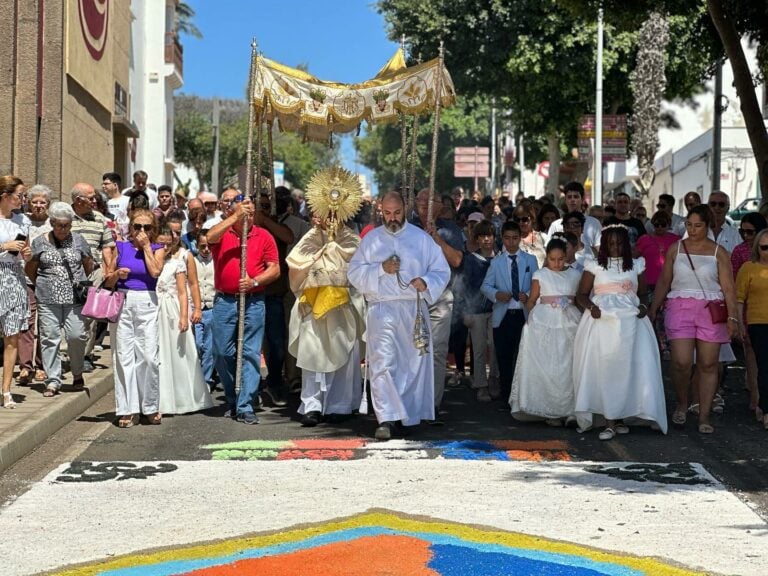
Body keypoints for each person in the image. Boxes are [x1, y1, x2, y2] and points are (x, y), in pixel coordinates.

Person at [348, 191, 450, 440]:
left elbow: (441, 270)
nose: (392, 218)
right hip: (382, 310)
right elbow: (354, 273)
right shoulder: (371, 240)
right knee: (383, 362)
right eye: (387, 213)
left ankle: (406, 415)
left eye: (397, 212)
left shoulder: (421, 239)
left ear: (405, 209)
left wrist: (426, 282)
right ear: (380, 211)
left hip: (412, 309)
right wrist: (380, 269)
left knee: (410, 364)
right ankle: (386, 418)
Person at [648, 205, 738, 434]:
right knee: (681, 362)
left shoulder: (719, 252)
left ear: (707, 226)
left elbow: (728, 288)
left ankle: (704, 415)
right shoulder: (676, 248)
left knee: (708, 364)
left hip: (711, 310)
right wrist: (653, 308)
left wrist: (733, 317)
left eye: (698, 225)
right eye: (689, 224)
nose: (693, 229)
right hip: (680, 307)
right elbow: (664, 281)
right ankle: (682, 402)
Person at [573, 225, 667, 439]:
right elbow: (581, 294)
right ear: (604, 245)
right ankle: (609, 421)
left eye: (619, 243)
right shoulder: (595, 266)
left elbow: (643, 293)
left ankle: (621, 417)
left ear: (627, 244)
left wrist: (643, 306)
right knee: (606, 369)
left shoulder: (636, 265)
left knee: (629, 369)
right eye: (611, 244)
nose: (615, 247)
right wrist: (591, 307)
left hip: (631, 325)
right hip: (602, 324)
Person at [208, 195, 280, 424]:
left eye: (250, 212)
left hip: (254, 300)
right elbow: (210, 237)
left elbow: (275, 269)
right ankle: (233, 396)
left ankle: (246, 404)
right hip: (225, 300)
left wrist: (254, 281)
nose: (247, 216)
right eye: (243, 211)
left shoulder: (264, 235)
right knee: (222, 351)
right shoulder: (223, 231)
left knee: (250, 352)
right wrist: (234, 217)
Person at [287, 217, 364, 426]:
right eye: (325, 213)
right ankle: (311, 406)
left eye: (334, 213)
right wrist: (319, 248)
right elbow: (296, 264)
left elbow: (359, 265)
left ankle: (340, 405)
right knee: (311, 356)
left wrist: (334, 245)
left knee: (344, 354)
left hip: (342, 307)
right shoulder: (310, 238)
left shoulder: (351, 239)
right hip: (313, 306)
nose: (329, 218)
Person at [509, 238, 581, 424]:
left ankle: (571, 410)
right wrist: (532, 320)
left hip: (569, 322)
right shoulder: (540, 274)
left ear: (566, 256)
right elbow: (532, 300)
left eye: (560, 259)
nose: (556, 263)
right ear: (547, 257)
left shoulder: (575, 275)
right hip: (545, 322)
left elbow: (578, 299)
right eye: (552, 259)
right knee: (549, 366)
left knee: (569, 365)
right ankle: (550, 411)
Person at [104, 209, 165, 427]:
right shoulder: (121, 247)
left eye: (146, 227)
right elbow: (107, 279)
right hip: (123, 299)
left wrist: (147, 246)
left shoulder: (158, 248)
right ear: (130, 228)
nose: (141, 231)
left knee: (148, 356)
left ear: (153, 229)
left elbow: (155, 272)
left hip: (147, 301)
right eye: (137, 226)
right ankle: (127, 409)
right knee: (123, 356)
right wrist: (116, 275)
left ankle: (150, 405)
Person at [25, 202, 93, 396]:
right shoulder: (40, 242)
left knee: (76, 335)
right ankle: (53, 380)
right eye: (59, 225)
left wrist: (79, 282)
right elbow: (30, 269)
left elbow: (87, 264)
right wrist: (43, 284)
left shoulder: (79, 240)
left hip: (74, 298)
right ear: (52, 223)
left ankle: (77, 372)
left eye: (67, 225)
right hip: (47, 298)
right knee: (49, 338)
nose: (63, 229)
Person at [412, 188, 464, 417]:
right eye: (421, 200)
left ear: (440, 206)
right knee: (413, 350)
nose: (424, 203)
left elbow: (457, 260)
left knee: (437, 351)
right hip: (413, 297)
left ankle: (432, 403)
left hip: (440, 297)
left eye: (430, 200)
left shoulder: (450, 229)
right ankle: (413, 399)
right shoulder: (407, 227)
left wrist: (436, 238)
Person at [155, 225, 213, 415]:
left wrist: (193, 310)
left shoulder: (181, 259)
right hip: (155, 309)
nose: (165, 247)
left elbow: (190, 286)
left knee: (179, 352)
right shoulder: (152, 261)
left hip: (173, 309)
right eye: (161, 244)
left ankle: (183, 396)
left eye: (168, 243)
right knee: (158, 353)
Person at [481, 221, 538, 402]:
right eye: (507, 238)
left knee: (524, 357)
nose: (511, 242)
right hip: (503, 316)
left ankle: (523, 397)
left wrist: (528, 295)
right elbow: (485, 286)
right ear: (502, 238)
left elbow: (538, 283)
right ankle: (506, 397)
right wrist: (497, 294)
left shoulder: (530, 260)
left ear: (520, 238)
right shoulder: (497, 262)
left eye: (514, 238)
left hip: (523, 314)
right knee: (504, 358)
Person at [70, 183, 116, 372]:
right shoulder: (65, 216)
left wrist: (108, 271)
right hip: (68, 273)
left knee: (91, 315)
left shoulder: (99, 219)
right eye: (91, 198)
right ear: (78, 200)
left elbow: (107, 247)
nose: (94, 200)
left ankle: (86, 355)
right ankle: (67, 354)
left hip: (94, 272)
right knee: (68, 313)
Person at [456, 220, 499, 402]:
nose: (486, 239)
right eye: (482, 236)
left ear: (494, 238)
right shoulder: (471, 260)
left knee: (496, 348)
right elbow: (464, 286)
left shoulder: (501, 258)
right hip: (476, 311)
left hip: (498, 309)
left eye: (489, 235)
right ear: (477, 239)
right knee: (479, 349)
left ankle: (494, 381)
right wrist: (465, 312)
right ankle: (481, 385)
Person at [0, 175, 32, 408]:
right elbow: (7, 247)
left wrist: (26, 254)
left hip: (14, 277)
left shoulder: (22, 220)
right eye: (20, 195)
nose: (23, 199)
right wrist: (4, 246)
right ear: (5, 196)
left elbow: (24, 252)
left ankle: (6, 390)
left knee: (12, 337)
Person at [732, 213, 767, 412]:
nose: (746, 236)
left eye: (750, 232)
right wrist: (737, 320)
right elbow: (735, 285)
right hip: (749, 312)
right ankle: (756, 399)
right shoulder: (739, 252)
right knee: (754, 358)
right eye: (742, 231)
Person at [17, 184, 51, 385]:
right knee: (27, 321)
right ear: (29, 203)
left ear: (48, 204)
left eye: (42, 202)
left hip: (47, 278)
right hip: (25, 277)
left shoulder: (53, 223)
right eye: (35, 202)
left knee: (46, 323)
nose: (38, 205)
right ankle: (25, 366)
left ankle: (42, 365)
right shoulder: (22, 221)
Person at [634, 211, 680, 353]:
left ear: (669, 225)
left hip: (669, 284)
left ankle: (665, 346)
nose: (659, 227)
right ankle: (650, 346)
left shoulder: (676, 240)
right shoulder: (644, 239)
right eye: (656, 224)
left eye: (663, 224)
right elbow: (633, 257)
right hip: (648, 284)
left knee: (664, 316)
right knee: (649, 315)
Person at [547, 182, 601, 255]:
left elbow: (599, 251)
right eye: (569, 197)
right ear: (565, 200)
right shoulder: (556, 225)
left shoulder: (594, 223)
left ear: (582, 199)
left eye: (576, 197)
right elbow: (550, 251)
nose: (572, 200)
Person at [192, 230, 217, 390]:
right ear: (196, 246)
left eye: (209, 246)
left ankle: (206, 380)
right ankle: (196, 377)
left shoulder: (217, 262)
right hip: (196, 309)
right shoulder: (192, 262)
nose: (206, 250)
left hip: (212, 308)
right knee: (197, 344)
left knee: (209, 347)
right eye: (202, 246)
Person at [514, 203, 546, 268]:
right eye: (518, 220)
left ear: (532, 218)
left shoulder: (543, 237)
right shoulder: (512, 240)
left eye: (524, 219)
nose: (521, 223)